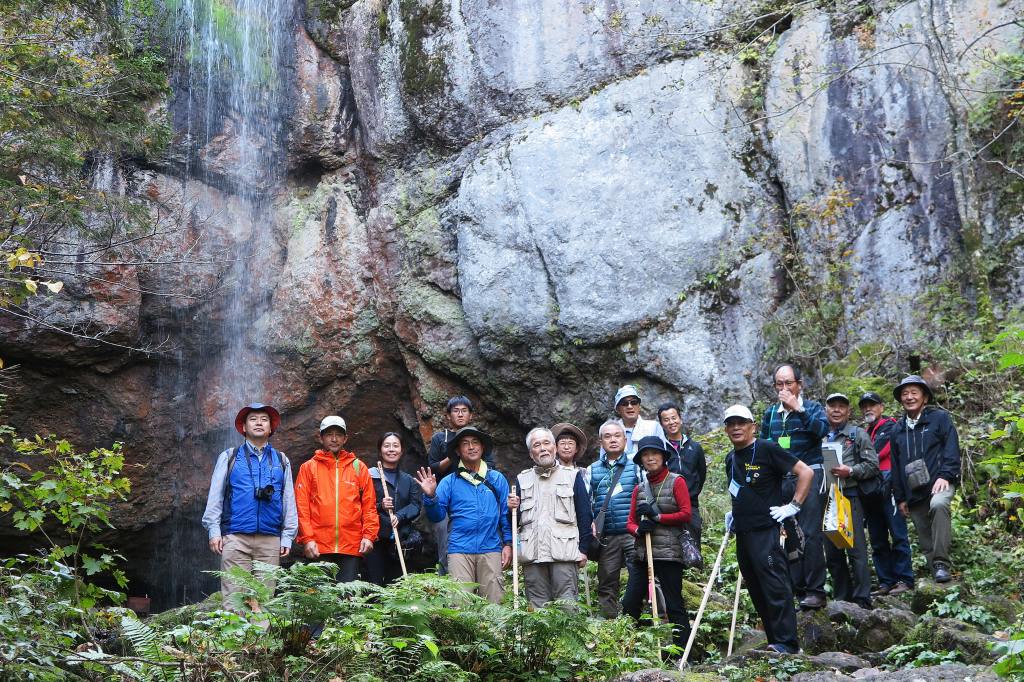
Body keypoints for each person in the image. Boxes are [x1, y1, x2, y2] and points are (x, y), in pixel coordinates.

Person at [724, 404, 813, 654]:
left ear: (753, 426)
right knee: (756, 587)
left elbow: (805, 472)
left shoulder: (767, 448)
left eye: (741, 422)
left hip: (767, 530)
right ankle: (775, 641)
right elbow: (738, 489)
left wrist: (793, 506)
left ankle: (788, 643)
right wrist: (734, 512)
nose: (736, 427)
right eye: (731, 424)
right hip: (743, 532)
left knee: (775, 585)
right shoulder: (731, 458)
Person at [201, 403, 298, 602]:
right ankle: (236, 635)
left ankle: (261, 635)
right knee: (234, 596)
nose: (259, 423)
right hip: (235, 537)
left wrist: (288, 536)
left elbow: (288, 499)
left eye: (264, 419)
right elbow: (215, 496)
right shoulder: (230, 457)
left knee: (264, 598)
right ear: (243, 427)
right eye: (253, 419)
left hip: (270, 539)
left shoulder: (282, 460)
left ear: (271, 428)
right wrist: (214, 530)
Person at [759, 364, 830, 609]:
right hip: (781, 479)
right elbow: (765, 444)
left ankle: (816, 591)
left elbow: (822, 430)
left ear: (799, 384)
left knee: (811, 533)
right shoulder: (771, 414)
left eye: (789, 383)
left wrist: (798, 409)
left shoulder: (812, 408)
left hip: (810, 475)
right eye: (780, 383)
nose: (784, 388)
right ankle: (795, 587)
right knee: (787, 535)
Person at [416, 426, 512, 603]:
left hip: (491, 547)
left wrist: (508, 544)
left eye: (475, 443)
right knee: (461, 605)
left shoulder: (496, 479)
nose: (471, 447)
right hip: (459, 549)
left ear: (482, 448)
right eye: (465, 444)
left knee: (494, 604)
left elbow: (505, 515)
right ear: (458, 451)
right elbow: (437, 516)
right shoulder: (449, 482)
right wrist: (430, 496)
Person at [622, 436, 693, 649]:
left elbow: (686, 514)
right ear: (641, 460)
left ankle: (681, 653)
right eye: (645, 454)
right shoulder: (639, 488)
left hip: (670, 553)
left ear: (663, 457)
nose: (650, 458)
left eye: (654, 453)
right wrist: (638, 530)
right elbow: (630, 522)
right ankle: (631, 648)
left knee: (673, 604)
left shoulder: (676, 481)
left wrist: (658, 518)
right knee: (630, 602)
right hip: (643, 554)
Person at [889, 375, 961, 583]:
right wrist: (900, 497)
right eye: (905, 394)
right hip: (913, 490)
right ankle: (937, 579)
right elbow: (896, 465)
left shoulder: (939, 418)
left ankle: (941, 564)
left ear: (925, 398)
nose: (909, 397)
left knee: (939, 505)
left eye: (914, 393)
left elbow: (951, 448)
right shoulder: (897, 430)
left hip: (939, 482)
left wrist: (946, 475)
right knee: (923, 533)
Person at [510, 428, 592, 608]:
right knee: (538, 609)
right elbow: (515, 521)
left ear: (555, 448)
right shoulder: (522, 480)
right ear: (531, 453)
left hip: (564, 552)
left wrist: (584, 549)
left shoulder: (572, 476)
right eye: (537, 445)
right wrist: (510, 509)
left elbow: (585, 515)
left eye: (547, 443)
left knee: (567, 606)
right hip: (533, 554)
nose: (543, 448)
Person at [294, 416, 379, 582]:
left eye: (338, 434)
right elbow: (301, 508)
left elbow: (369, 506)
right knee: (320, 601)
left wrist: (369, 536)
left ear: (345, 438)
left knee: (347, 599)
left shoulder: (358, 467)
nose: (334, 439)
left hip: (351, 546)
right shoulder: (308, 467)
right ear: (321, 437)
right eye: (329, 434)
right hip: (318, 546)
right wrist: (308, 539)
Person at [822, 393, 880, 609]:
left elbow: (873, 465)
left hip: (850, 495)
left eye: (841, 407)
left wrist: (851, 471)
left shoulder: (857, 435)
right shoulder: (820, 435)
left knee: (855, 549)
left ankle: (863, 599)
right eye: (832, 406)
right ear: (826, 410)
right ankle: (842, 598)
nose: (836, 410)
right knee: (832, 551)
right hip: (827, 497)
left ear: (848, 411)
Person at [426, 396, 496, 574]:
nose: (460, 414)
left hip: (475, 495)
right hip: (446, 496)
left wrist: (466, 450)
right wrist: (454, 453)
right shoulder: (440, 438)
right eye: (455, 411)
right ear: (448, 415)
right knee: (445, 544)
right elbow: (432, 468)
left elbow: (491, 466)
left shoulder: (478, 439)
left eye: (464, 410)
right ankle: (447, 584)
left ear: (471, 415)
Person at [858, 391, 914, 596]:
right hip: (870, 492)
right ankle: (885, 581)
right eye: (864, 406)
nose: (868, 409)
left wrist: (861, 460)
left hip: (889, 487)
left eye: (872, 405)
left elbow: (876, 454)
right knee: (877, 537)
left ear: (881, 407)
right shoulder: (865, 432)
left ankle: (904, 579)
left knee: (898, 534)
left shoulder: (891, 426)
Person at [588, 420, 642, 618]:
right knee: (607, 579)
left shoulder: (636, 465)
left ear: (625, 439)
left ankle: (636, 619)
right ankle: (609, 624)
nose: (613, 440)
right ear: (600, 442)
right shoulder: (592, 469)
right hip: (607, 535)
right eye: (607, 437)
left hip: (632, 533)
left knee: (639, 576)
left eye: (617, 436)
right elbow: (587, 500)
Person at [363, 433, 422, 586]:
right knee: (373, 585)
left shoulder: (408, 480)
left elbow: (415, 505)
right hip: (375, 540)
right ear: (380, 449)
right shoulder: (369, 476)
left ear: (401, 451)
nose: (391, 449)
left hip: (400, 542)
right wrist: (380, 506)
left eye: (395, 446)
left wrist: (399, 516)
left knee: (396, 585)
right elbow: (359, 505)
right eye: (387, 445)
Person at [657, 402, 706, 545]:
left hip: (691, 506)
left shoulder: (695, 447)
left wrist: (692, 493)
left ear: (680, 419)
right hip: (667, 506)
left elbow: (701, 475)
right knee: (669, 548)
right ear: (661, 424)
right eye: (666, 420)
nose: (671, 422)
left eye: (674, 418)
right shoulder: (660, 448)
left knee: (693, 549)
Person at [612, 385, 665, 456]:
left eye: (633, 402)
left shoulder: (653, 427)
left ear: (639, 406)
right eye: (624, 404)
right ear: (618, 409)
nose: (629, 406)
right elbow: (604, 460)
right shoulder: (610, 430)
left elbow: (662, 457)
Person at [552, 421, 590, 489]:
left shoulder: (584, 473)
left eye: (570, 443)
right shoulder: (550, 472)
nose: (566, 447)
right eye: (562, 443)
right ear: (556, 448)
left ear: (576, 449)